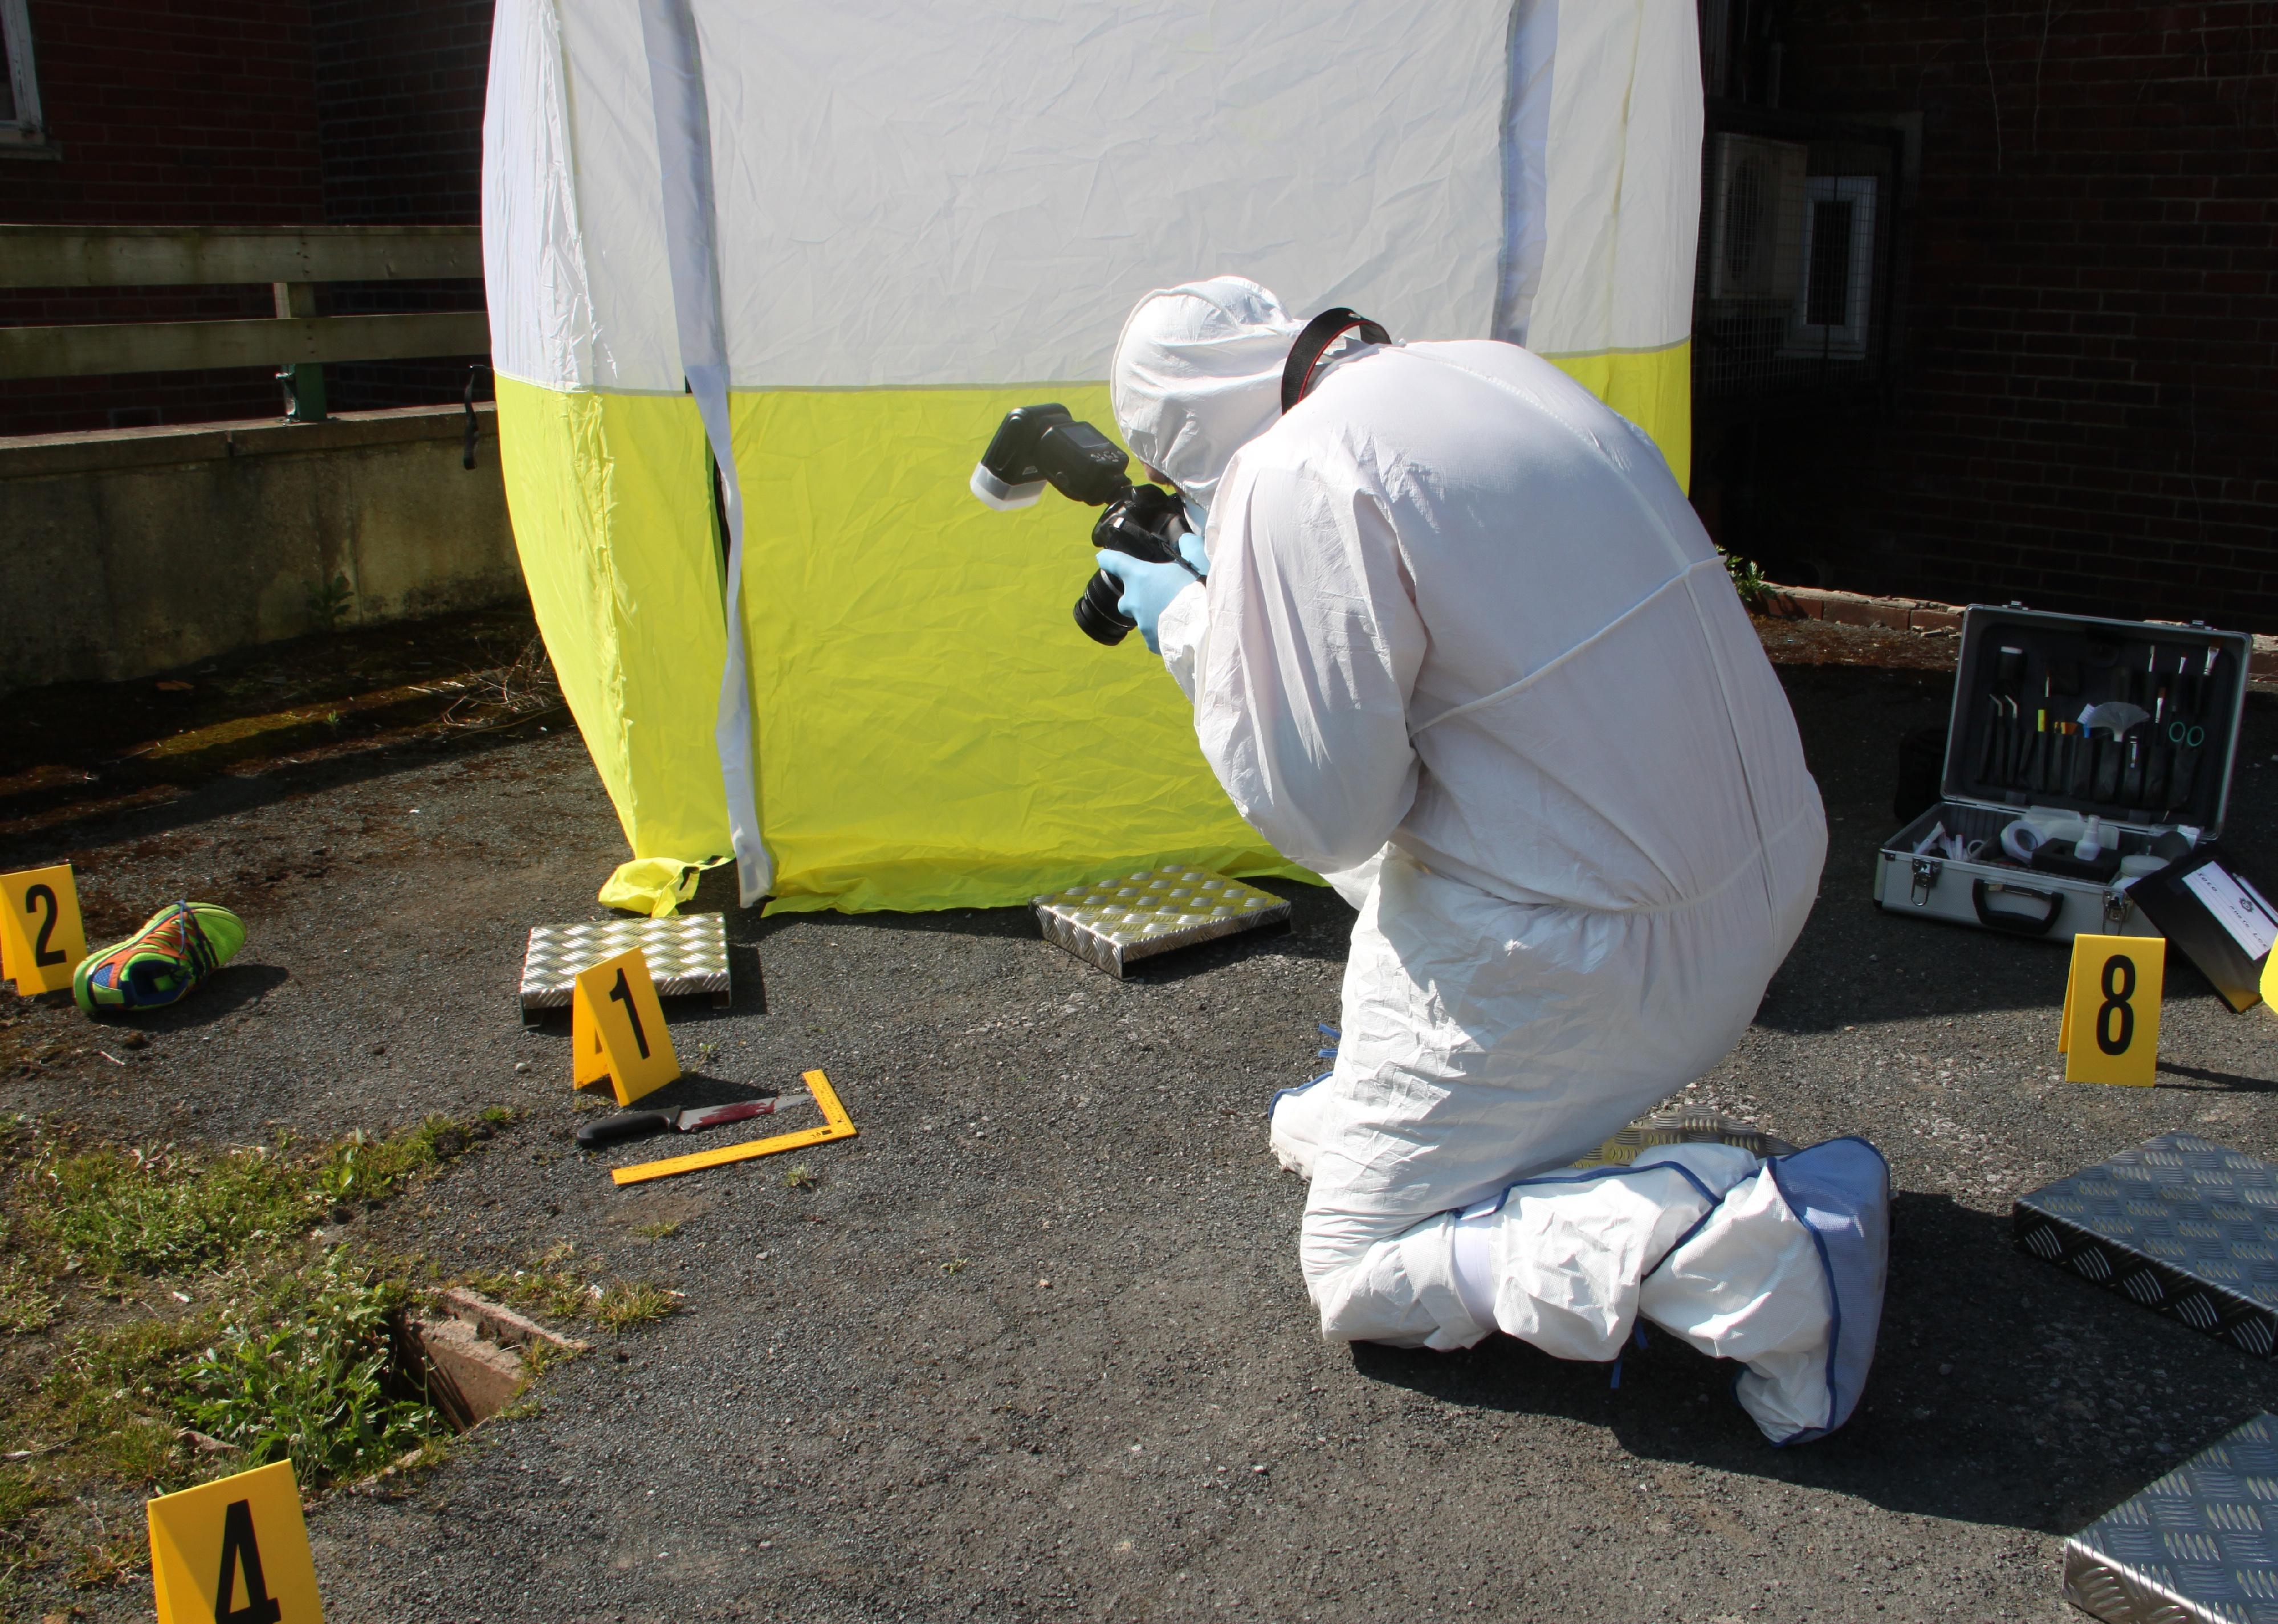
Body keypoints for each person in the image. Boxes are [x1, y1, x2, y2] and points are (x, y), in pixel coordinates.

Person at [1097, 277, 1877, 1442]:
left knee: (1358, 1265)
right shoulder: (1510, 374)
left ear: (1194, 447)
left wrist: (1189, 624)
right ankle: (1424, 1116)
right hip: (1764, 872)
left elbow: (1326, 814)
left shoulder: (1290, 471)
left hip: (1602, 961)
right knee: (1412, 887)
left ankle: (1749, 1255)